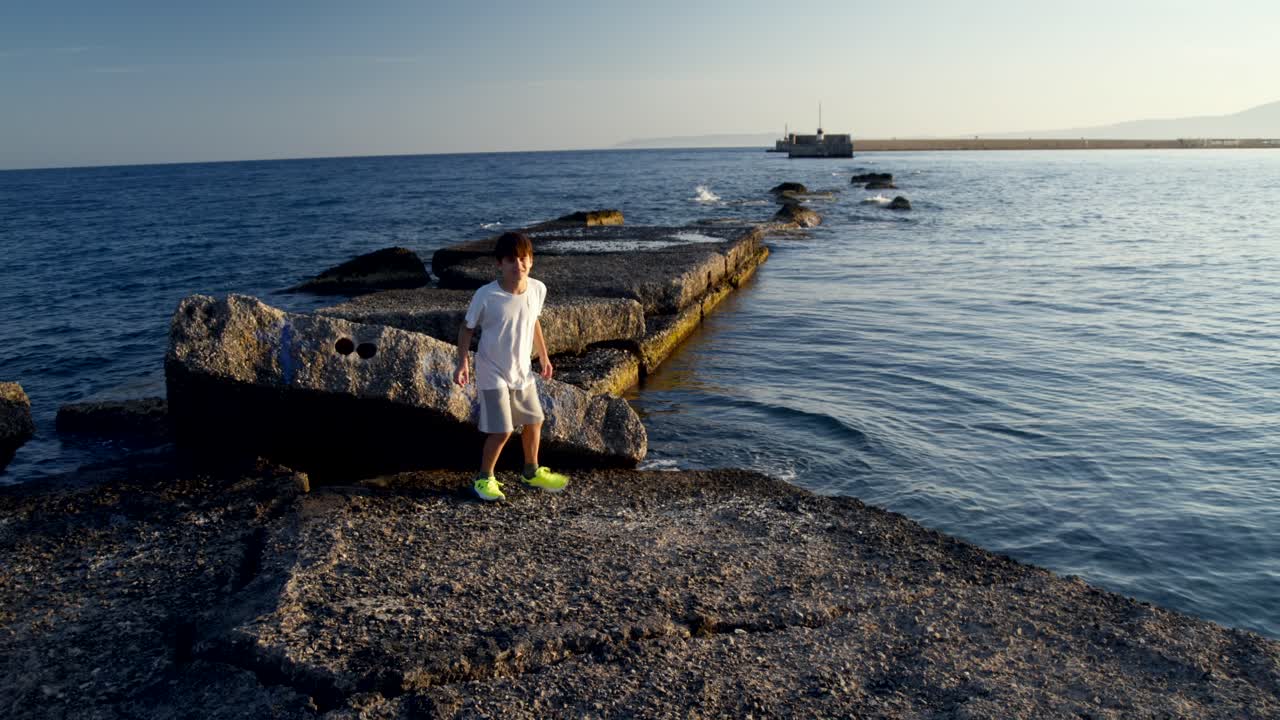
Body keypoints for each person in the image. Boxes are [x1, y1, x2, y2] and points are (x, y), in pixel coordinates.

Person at [453, 231, 569, 501]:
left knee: (534, 421)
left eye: (523, 258)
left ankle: (531, 471)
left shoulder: (538, 289)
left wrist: (544, 356)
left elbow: (534, 321)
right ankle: (484, 479)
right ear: (499, 264)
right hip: (491, 370)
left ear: (531, 261)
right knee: (502, 430)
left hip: (522, 370)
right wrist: (463, 363)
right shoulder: (486, 295)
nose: (518, 264)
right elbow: (466, 329)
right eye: (511, 260)